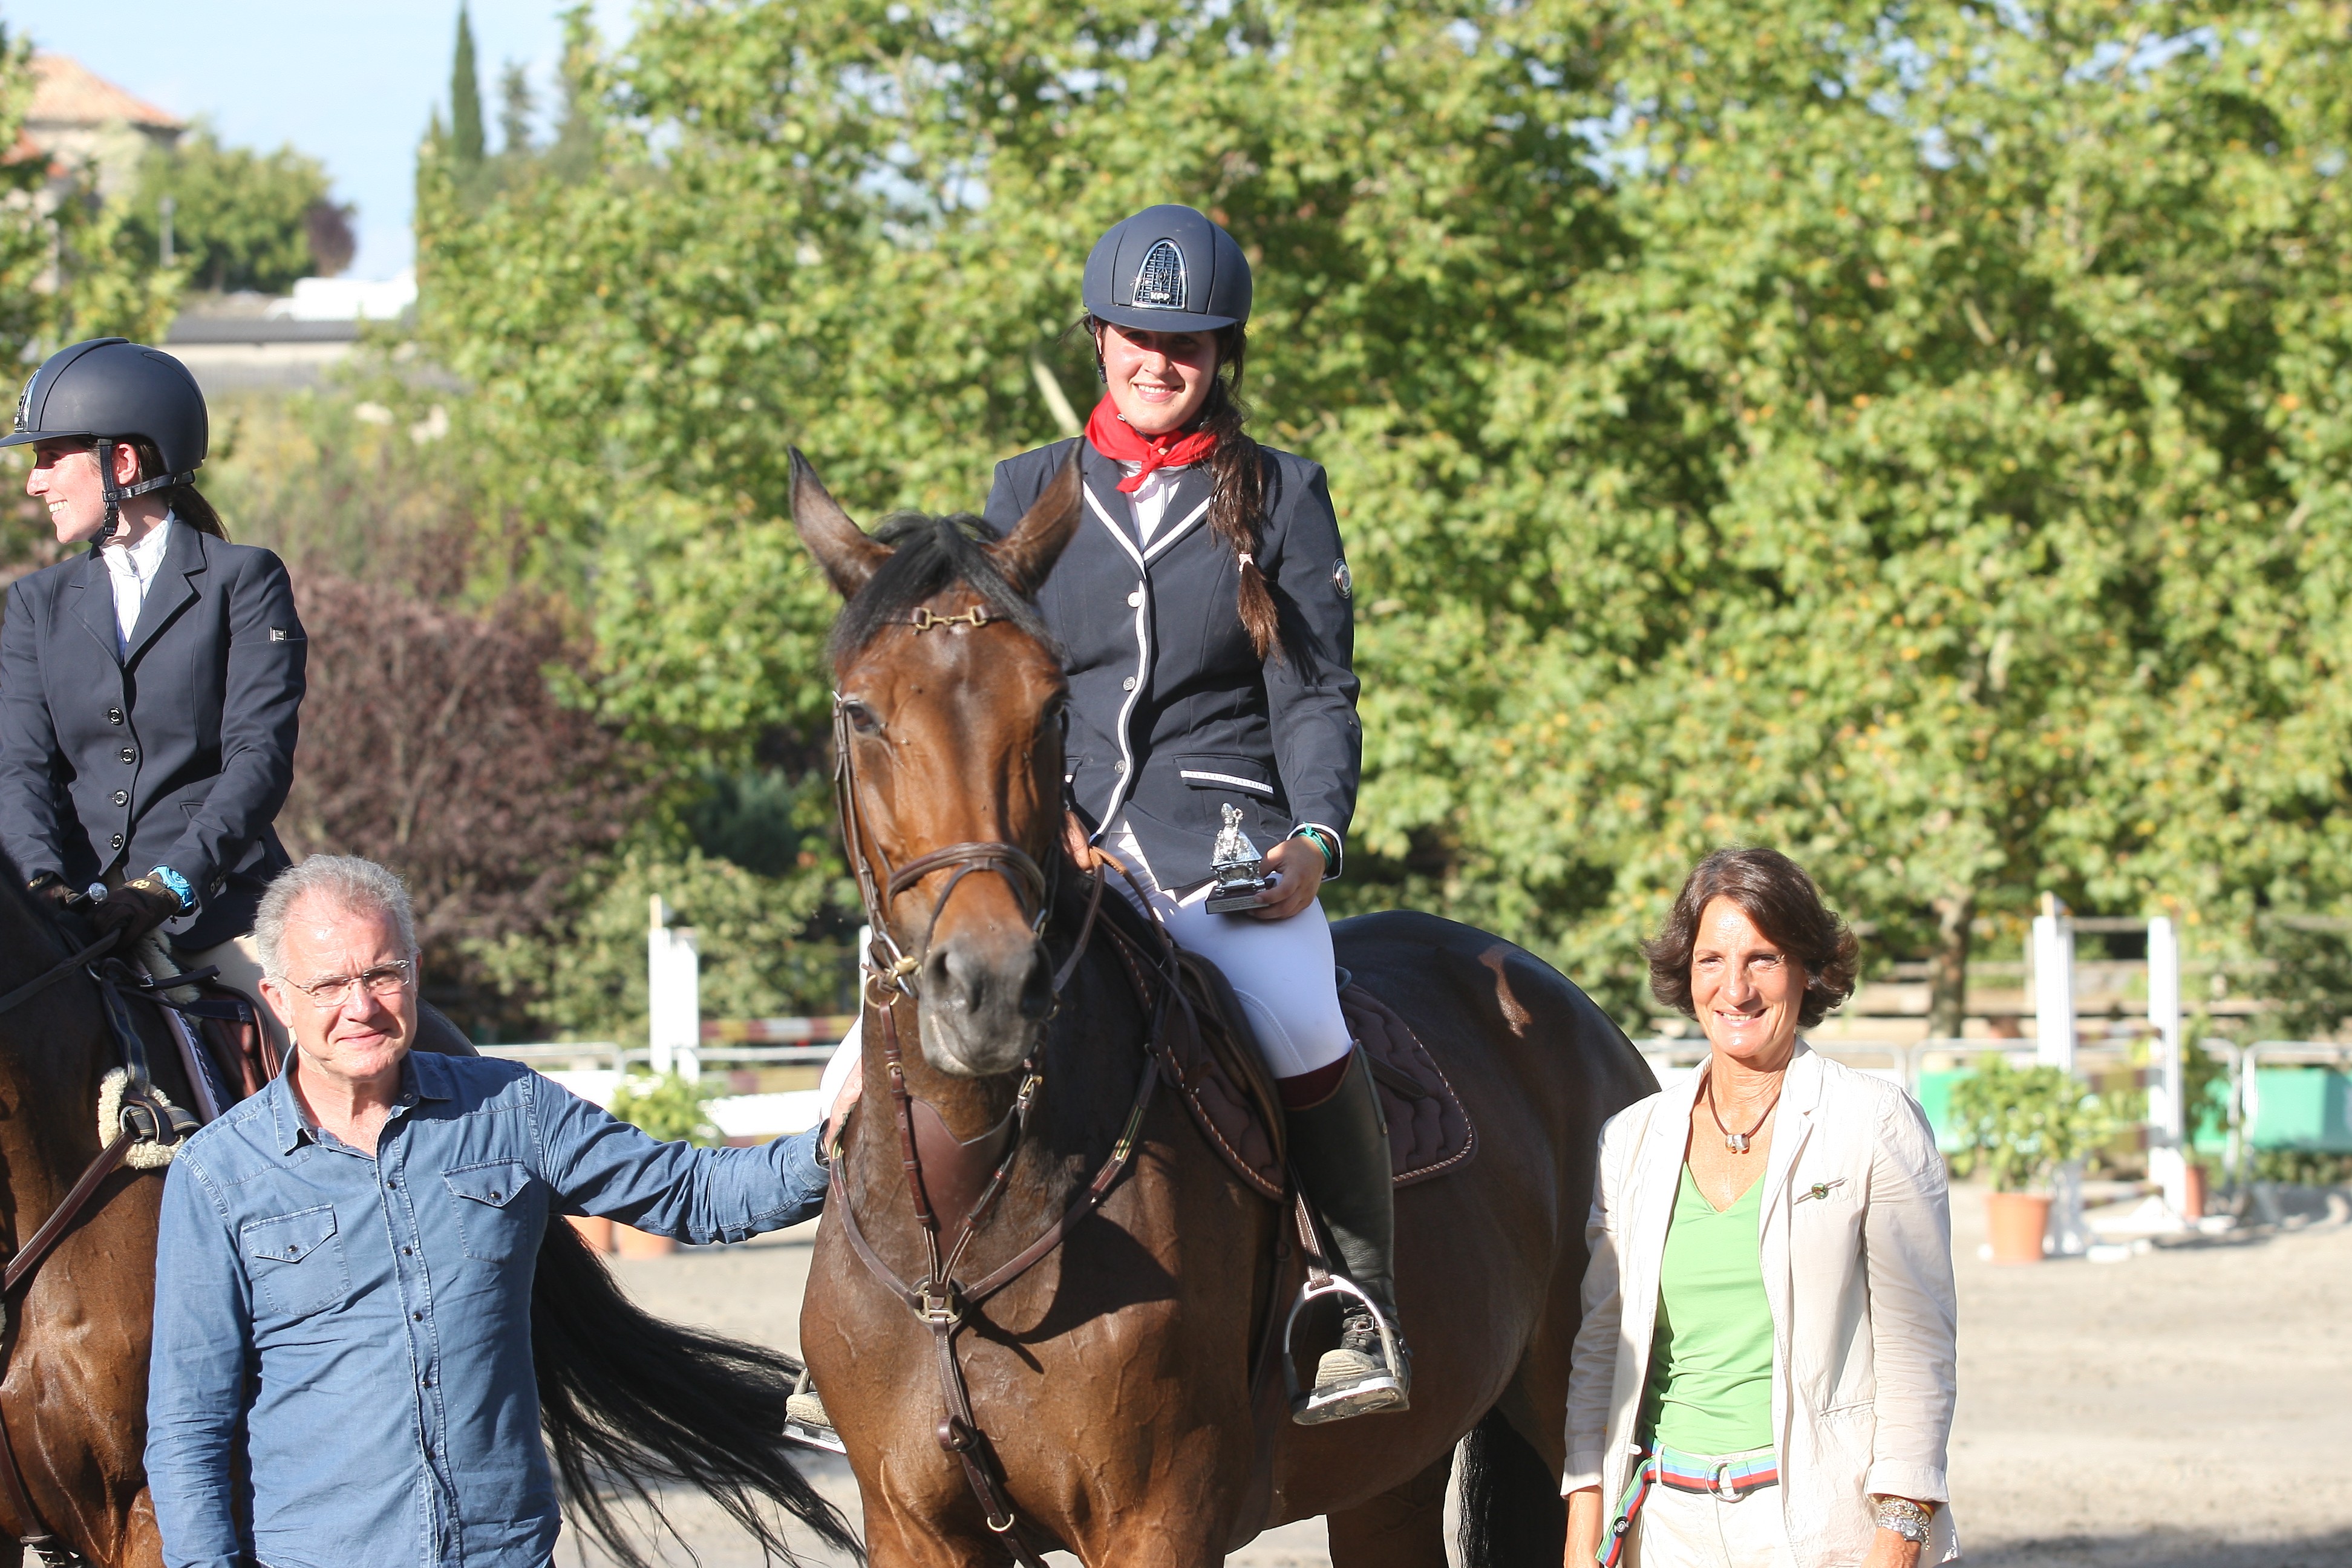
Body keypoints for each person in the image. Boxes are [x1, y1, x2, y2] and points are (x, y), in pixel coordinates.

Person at [983, 203, 1397, 1422]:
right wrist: (1037, 824)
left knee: (1302, 1017)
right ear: (1100, 338)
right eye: (1136, 337)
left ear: (1222, 358)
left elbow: (1316, 692)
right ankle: (860, 1308)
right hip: (1054, 848)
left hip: (1222, 844)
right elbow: (997, 687)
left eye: (1191, 344)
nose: (1160, 363)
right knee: (889, 1034)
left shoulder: (1281, 492)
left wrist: (1313, 842)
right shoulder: (1026, 488)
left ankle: (1355, 1293)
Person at [143, 856, 845, 1568]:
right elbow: (189, 1424)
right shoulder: (218, 1176)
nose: (360, 1007)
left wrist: (836, 1141)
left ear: (415, 971)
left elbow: (693, 1193)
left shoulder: (511, 1110)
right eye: (328, 984)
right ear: (277, 998)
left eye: (382, 974)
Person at [1563, 848, 1959, 1568]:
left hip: (1813, 1530)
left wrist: (1898, 1542)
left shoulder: (1874, 1122)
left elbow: (1918, 1355)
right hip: (1663, 1526)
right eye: (1712, 960)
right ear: (1686, 975)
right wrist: (1581, 1540)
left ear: (1808, 971)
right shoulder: (1631, 1141)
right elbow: (1601, 1350)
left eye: (1764, 959)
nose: (1736, 989)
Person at [0, 338, 301, 1053]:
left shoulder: (244, 583)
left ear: (123, 463)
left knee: (318, 1050)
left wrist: (169, 885)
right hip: (71, 916)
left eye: (49, 459)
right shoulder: (33, 605)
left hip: (214, 912)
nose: (34, 484)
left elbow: (258, 760)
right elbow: (19, 770)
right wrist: (43, 886)